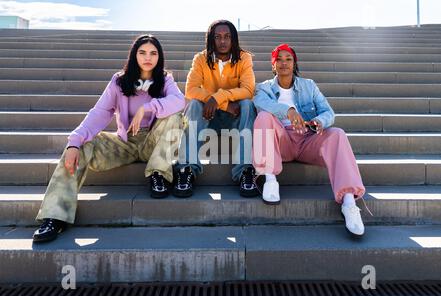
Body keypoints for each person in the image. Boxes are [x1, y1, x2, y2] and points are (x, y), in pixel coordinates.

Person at [33, 35, 186, 243]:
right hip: (124, 143)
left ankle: (158, 174)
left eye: (153, 53)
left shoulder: (165, 80)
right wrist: (74, 141)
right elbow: (100, 112)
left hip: (153, 142)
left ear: (160, 57)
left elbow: (179, 102)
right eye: (142, 52)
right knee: (81, 145)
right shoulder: (119, 81)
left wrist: (148, 107)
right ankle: (54, 216)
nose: (148, 57)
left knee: (176, 117)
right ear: (134, 55)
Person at [252, 43, 367, 237]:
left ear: (294, 63)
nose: (283, 63)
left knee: (337, 133)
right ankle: (270, 179)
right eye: (278, 60)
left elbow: (328, 112)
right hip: (282, 142)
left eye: (288, 59)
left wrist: (319, 121)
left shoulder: (309, 86)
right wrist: (289, 112)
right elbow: (262, 105)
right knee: (263, 117)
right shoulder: (263, 88)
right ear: (273, 65)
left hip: (307, 139)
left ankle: (349, 202)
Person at [173, 20, 258, 198]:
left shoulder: (244, 58)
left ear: (233, 39)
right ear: (211, 40)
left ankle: (245, 171)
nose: (223, 41)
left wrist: (217, 97)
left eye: (227, 37)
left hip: (235, 118)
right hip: (208, 117)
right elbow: (191, 90)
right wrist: (223, 103)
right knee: (194, 104)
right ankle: (186, 169)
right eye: (217, 37)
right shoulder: (201, 58)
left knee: (248, 104)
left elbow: (249, 90)